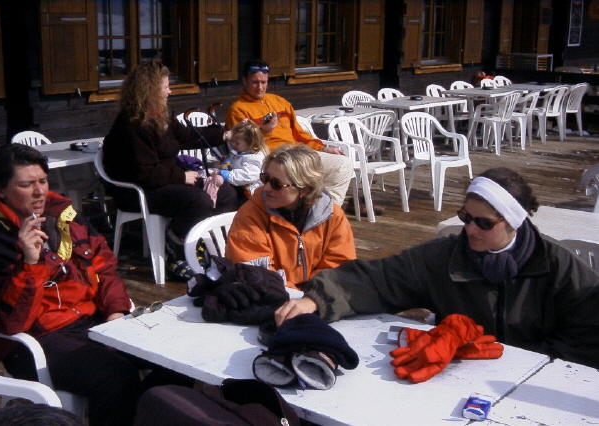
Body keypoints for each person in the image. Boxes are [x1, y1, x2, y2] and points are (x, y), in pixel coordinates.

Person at [274, 167, 599, 368]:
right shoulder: (443, 257)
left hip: (541, 375)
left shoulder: (556, 265)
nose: (470, 229)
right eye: (465, 217)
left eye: (484, 223)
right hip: (458, 373)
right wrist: (316, 299)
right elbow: (378, 279)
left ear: (513, 223)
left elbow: (588, 333)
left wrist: (530, 362)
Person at [0, 144, 144, 426]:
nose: (39, 192)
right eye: (26, 185)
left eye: (43, 181)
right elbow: (7, 322)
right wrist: (30, 263)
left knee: (166, 358)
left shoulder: (65, 216)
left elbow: (103, 266)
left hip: (91, 320)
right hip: (37, 338)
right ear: (0, 190)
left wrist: (115, 311)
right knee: (116, 378)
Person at [102, 58, 238, 249]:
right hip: (138, 191)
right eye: (165, 87)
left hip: (164, 182)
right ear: (150, 90)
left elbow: (188, 136)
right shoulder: (132, 124)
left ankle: (208, 242)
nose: (169, 91)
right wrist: (182, 176)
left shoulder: (160, 116)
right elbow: (145, 172)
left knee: (226, 193)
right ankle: (176, 241)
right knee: (199, 200)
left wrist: (225, 135)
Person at [225, 59, 354, 207]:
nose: (260, 87)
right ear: (245, 81)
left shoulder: (280, 102)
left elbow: (300, 134)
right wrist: (263, 130)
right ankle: (313, 210)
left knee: (342, 164)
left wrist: (323, 148)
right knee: (299, 176)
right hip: (274, 159)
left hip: (299, 154)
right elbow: (242, 144)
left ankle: (328, 211)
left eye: (264, 82)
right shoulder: (238, 109)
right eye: (255, 82)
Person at [226, 144, 356, 288]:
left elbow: (340, 266)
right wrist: (300, 294)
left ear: (305, 189)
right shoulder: (251, 215)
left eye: (276, 184)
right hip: (272, 295)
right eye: (265, 178)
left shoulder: (331, 215)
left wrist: (314, 295)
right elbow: (256, 275)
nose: (266, 188)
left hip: (317, 294)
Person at [217, 119, 267, 202]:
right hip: (240, 185)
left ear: (251, 143)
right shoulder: (240, 152)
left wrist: (225, 174)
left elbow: (246, 175)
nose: (233, 144)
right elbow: (231, 161)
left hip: (252, 192)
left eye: (237, 143)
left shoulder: (254, 159)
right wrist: (224, 165)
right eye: (232, 141)